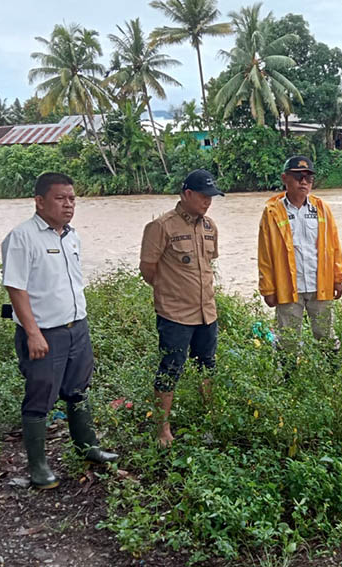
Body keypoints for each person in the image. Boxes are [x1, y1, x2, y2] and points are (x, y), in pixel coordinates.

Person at [1, 172, 117, 490]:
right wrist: (32, 332)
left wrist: (81, 324)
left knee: (78, 389)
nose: (68, 205)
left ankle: (88, 447)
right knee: (40, 397)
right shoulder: (22, 237)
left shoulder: (71, 236)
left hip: (76, 327)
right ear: (39, 201)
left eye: (72, 198)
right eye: (60, 198)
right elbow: (16, 288)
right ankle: (38, 467)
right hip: (44, 333)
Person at [140, 169, 224, 446]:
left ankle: (208, 419)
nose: (208, 201)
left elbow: (209, 266)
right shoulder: (161, 227)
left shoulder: (210, 226)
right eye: (203, 196)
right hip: (175, 314)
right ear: (187, 194)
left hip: (206, 312)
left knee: (207, 367)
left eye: (211, 196)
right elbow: (148, 270)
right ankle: (162, 430)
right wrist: (171, 292)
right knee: (170, 368)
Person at [257, 155, 342, 367]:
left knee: (325, 334)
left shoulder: (321, 209)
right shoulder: (272, 212)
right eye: (298, 177)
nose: (304, 182)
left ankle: (332, 379)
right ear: (285, 178)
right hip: (288, 286)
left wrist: (338, 277)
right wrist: (268, 289)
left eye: (308, 178)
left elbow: (333, 245)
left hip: (320, 285)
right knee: (287, 339)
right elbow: (265, 254)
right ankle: (289, 382)